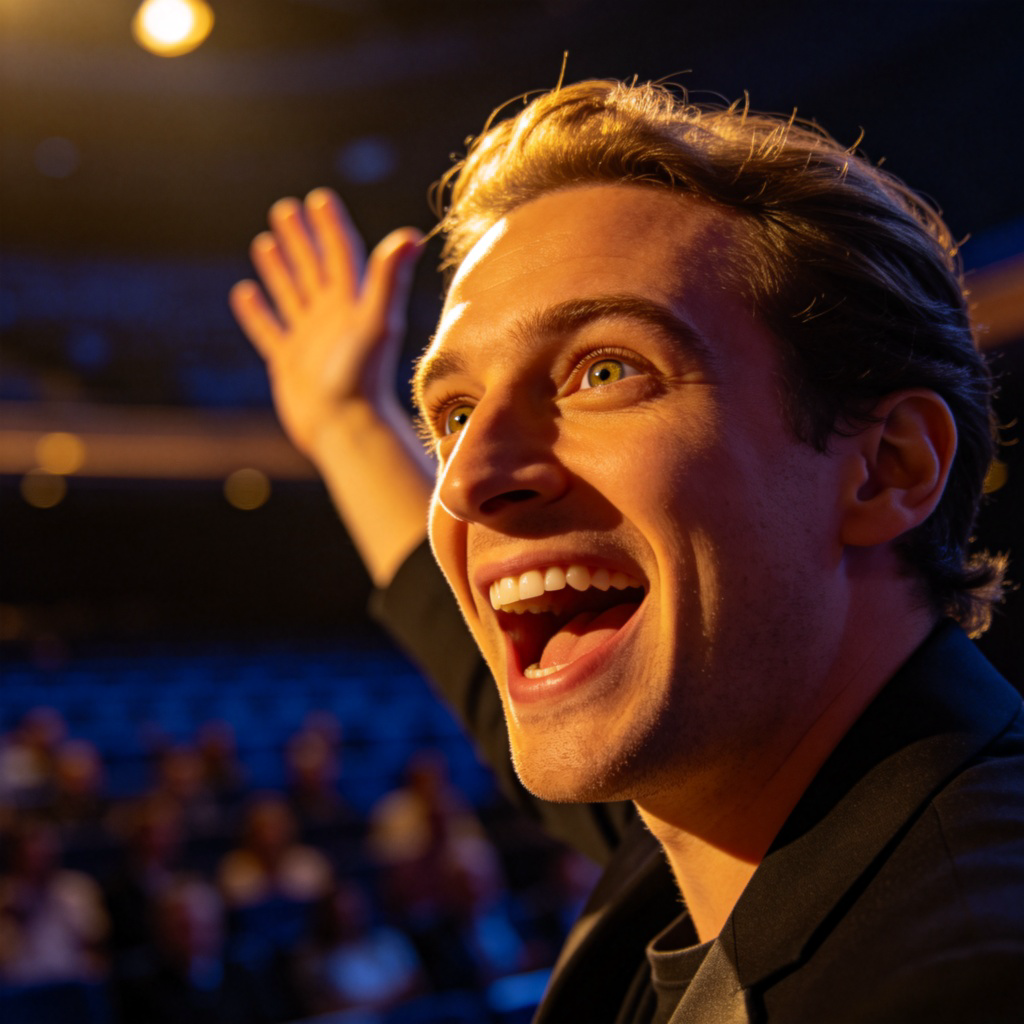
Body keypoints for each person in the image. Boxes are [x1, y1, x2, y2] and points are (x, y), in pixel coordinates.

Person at [230, 79, 1024, 1022]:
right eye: (452, 413)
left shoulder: (968, 976)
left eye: (606, 370)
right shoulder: (723, 806)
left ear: (887, 468)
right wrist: (349, 425)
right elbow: (490, 693)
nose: (468, 477)